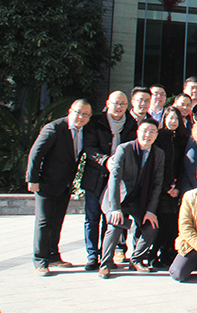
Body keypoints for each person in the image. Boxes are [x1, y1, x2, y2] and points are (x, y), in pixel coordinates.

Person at [27, 99, 92, 275]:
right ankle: (40, 260)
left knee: (57, 221)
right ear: (70, 111)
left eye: (86, 114)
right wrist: (32, 179)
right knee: (44, 221)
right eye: (78, 113)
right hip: (46, 183)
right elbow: (36, 153)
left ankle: (53, 256)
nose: (81, 117)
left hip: (65, 184)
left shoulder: (84, 131)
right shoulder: (54, 128)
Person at [98, 118, 166, 278]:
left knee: (151, 227)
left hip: (139, 199)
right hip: (118, 197)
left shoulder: (158, 154)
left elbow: (157, 184)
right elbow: (114, 179)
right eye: (144, 131)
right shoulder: (124, 149)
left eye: (152, 132)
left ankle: (137, 259)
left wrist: (150, 210)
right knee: (115, 226)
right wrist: (115, 208)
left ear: (156, 135)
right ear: (137, 132)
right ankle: (105, 264)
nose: (148, 135)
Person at [81, 90, 137, 271]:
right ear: (108, 103)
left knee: (111, 219)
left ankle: (107, 255)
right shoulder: (95, 122)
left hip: (117, 180)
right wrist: (105, 160)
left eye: (123, 104)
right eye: (116, 103)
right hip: (95, 177)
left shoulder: (131, 123)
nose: (119, 107)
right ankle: (92, 255)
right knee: (92, 218)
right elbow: (89, 148)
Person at [153, 108, 189, 267]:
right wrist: (166, 187)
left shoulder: (183, 139)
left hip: (177, 188)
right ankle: (153, 254)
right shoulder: (158, 137)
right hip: (161, 188)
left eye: (176, 119)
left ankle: (167, 254)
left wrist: (178, 187)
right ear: (164, 118)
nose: (173, 121)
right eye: (170, 118)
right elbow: (157, 166)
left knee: (174, 224)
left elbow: (183, 166)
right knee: (162, 223)